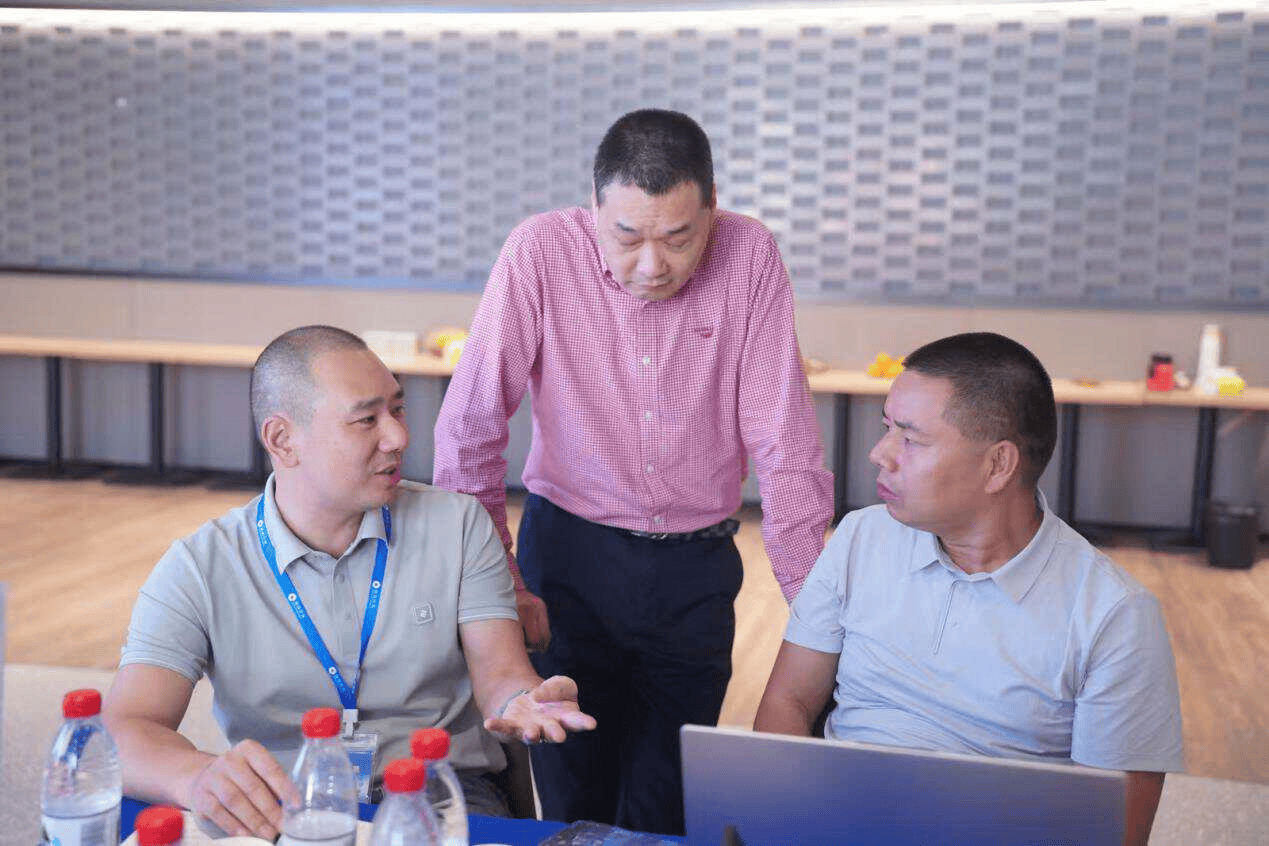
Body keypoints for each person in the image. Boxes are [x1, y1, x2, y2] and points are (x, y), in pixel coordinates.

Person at [433, 108, 833, 834]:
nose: (653, 265)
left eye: (678, 238)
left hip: (695, 571)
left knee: (667, 802)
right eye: (627, 237)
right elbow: (469, 431)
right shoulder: (539, 251)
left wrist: (817, 614)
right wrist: (500, 585)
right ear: (593, 207)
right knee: (571, 797)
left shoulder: (748, 255)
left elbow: (785, 443)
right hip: (567, 562)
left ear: (711, 209)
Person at [102, 325, 595, 840]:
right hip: (287, 807)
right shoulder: (200, 566)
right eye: (366, 419)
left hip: (440, 792)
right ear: (282, 440)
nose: (398, 437)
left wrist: (523, 700)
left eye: (398, 410)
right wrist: (199, 776)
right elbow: (126, 727)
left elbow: (501, 674)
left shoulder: (459, 525)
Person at [753, 331, 1184, 846]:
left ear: (998, 465)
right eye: (887, 428)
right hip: (833, 821)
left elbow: (1114, 830)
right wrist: (786, 817)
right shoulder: (860, 537)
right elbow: (788, 700)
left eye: (911, 439)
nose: (879, 454)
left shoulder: (1115, 615)